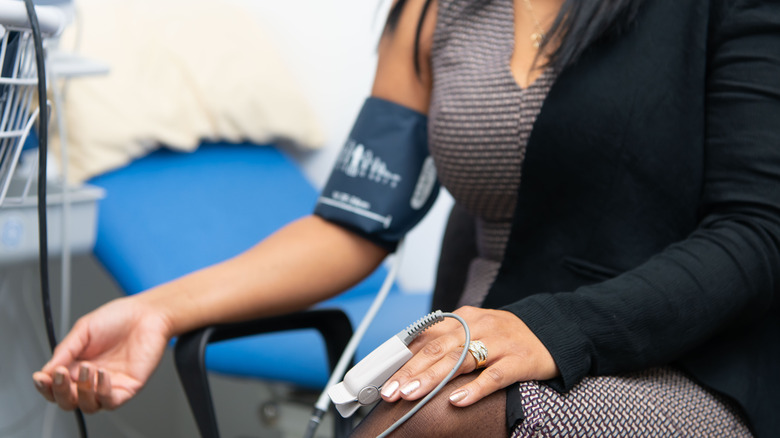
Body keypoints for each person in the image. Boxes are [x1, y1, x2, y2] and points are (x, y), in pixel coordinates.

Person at [33, 0, 780, 436]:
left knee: (428, 422)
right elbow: (352, 223)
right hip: (479, 349)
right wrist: (156, 310)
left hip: (688, 364)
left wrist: (552, 329)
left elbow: (758, 231)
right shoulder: (435, 13)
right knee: (415, 410)